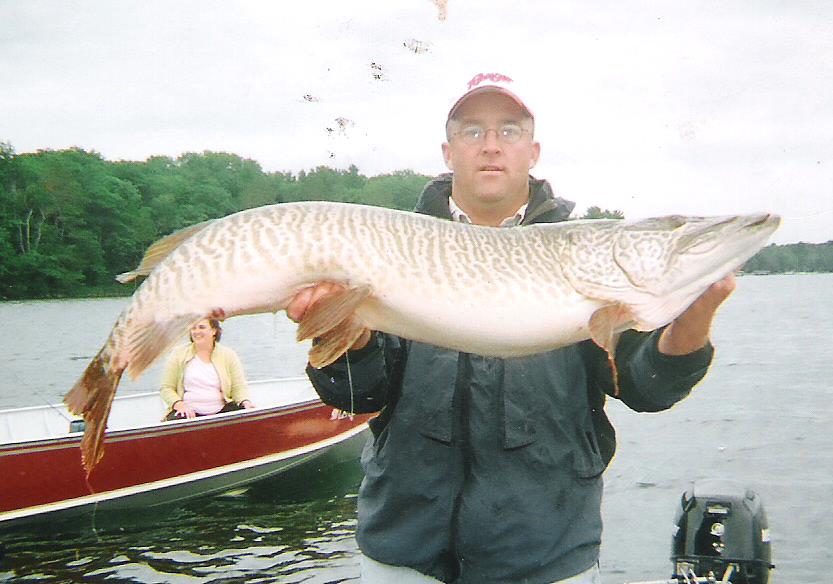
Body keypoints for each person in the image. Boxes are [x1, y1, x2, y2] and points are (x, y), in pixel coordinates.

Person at [286, 73, 735, 584]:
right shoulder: (384, 247)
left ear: (533, 151)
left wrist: (697, 315)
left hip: (544, 555)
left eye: (510, 131)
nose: (492, 146)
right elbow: (356, 394)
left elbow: (645, 389)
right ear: (448, 151)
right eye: (473, 131)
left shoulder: (592, 260)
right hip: (403, 552)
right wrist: (342, 331)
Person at [160, 318, 255, 420]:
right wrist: (179, 405)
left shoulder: (228, 355)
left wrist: (245, 401)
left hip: (223, 410)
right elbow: (166, 388)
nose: (196, 332)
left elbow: (238, 387)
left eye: (202, 327)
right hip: (188, 413)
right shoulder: (178, 354)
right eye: (193, 328)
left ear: (214, 331)